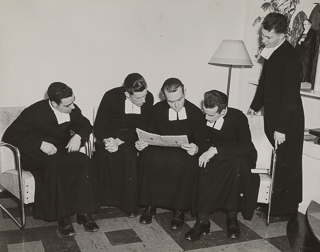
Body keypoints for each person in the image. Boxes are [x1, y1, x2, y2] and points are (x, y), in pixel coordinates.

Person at [2, 82, 100, 237]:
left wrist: (78, 136)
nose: (72, 107)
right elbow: (10, 135)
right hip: (37, 155)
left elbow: (86, 125)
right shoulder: (34, 112)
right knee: (57, 165)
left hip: (62, 150)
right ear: (54, 103)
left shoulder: (72, 107)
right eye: (68, 105)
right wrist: (39, 144)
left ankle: (84, 213)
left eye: (73, 102)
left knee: (84, 161)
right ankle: (63, 218)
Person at [184, 90, 260, 241]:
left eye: (211, 115)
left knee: (237, 165)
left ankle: (232, 219)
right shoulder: (204, 116)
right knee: (204, 166)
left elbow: (246, 146)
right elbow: (198, 139)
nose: (206, 117)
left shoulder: (237, 117)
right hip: (212, 154)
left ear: (223, 111)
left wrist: (217, 150)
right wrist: (197, 148)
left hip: (238, 156)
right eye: (204, 112)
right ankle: (203, 221)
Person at [249, 13, 304, 216]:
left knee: (286, 163)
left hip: (287, 121)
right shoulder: (272, 50)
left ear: (282, 35)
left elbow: (290, 96)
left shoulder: (290, 55)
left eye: (268, 37)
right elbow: (265, 83)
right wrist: (254, 106)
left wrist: (281, 128)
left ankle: (284, 208)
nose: (264, 40)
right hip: (275, 117)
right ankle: (272, 202)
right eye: (263, 36)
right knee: (278, 161)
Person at [136, 78, 206, 230]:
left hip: (184, 152)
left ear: (184, 92)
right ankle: (149, 205)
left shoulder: (195, 113)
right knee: (148, 156)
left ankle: (179, 210)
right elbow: (148, 133)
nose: (176, 105)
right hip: (160, 150)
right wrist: (142, 143)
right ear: (163, 97)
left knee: (185, 162)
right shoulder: (156, 110)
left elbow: (202, 140)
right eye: (170, 101)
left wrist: (197, 148)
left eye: (179, 99)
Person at [93, 73, 154, 217]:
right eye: (138, 98)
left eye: (144, 96)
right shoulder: (110, 96)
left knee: (128, 155)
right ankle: (99, 201)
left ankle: (129, 204)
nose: (144, 101)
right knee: (102, 156)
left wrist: (120, 141)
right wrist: (108, 140)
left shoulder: (149, 98)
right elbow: (99, 126)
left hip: (132, 137)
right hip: (109, 137)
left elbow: (144, 127)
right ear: (127, 94)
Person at [296, 19, 316, 84]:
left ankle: (305, 80)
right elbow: (299, 40)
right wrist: (299, 42)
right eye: (303, 24)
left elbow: (308, 42)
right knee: (300, 66)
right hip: (302, 53)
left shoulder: (311, 32)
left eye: (305, 24)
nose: (304, 26)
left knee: (306, 67)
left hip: (307, 53)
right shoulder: (304, 32)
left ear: (310, 25)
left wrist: (301, 42)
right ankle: (301, 79)